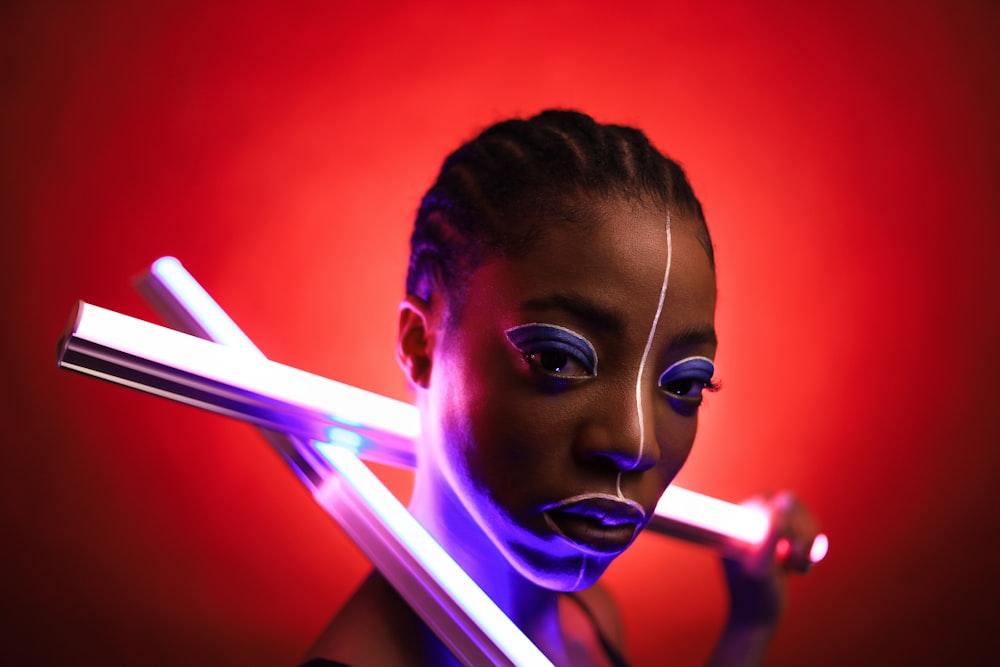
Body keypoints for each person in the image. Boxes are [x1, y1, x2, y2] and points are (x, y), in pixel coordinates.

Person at [302, 109, 819, 666]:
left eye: (686, 385)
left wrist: (749, 626)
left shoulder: (587, 616)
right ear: (420, 344)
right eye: (557, 359)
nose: (635, 443)